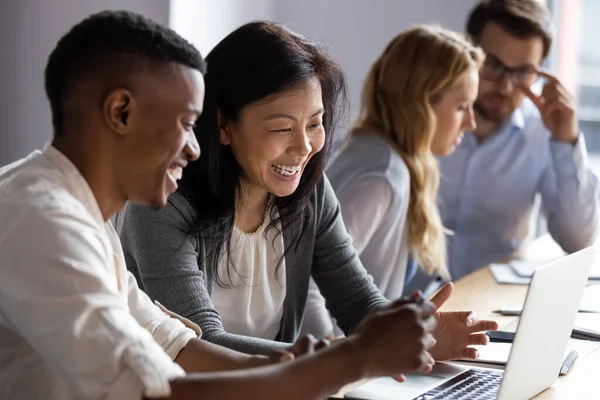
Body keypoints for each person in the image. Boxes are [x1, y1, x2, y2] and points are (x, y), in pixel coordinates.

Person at [0, 10, 443, 400]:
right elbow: (153, 390)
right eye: (185, 124)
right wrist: (352, 360)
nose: (195, 148)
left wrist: (330, 362)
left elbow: (172, 344)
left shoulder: (79, 211)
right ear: (121, 113)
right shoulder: (41, 219)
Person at [120, 20, 498, 362]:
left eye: (315, 124)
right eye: (283, 128)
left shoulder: (309, 192)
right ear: (223, 125)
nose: (303, 147)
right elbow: (201, 347)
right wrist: (347, 356)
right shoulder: (163, 203)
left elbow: (357, 301)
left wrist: (416, 334)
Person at [301, 25, 484, 338]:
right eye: (461, 107)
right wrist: (333, 362)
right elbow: (309, 285)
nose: (471, 122)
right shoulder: (382, 178)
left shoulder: (380, 152)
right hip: (345, 368)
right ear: (422, 103)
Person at [435, 0, 600, 280]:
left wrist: (566, 141)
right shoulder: (421, 116)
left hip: (491, 303)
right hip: (409, 304)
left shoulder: (542, 132)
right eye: (493, 65)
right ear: (467, 52)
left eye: (523, 72)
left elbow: (579, 240)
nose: (505, 86)